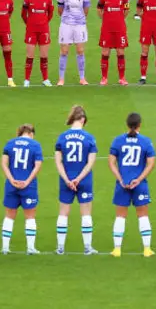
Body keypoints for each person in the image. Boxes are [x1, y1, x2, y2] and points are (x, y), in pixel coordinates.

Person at [108, 113, 156, 257]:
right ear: (139, 125)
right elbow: (151, 164)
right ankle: (147, 249)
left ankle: (117, 249)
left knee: (120, 216)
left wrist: (121, 179)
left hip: (122, 185)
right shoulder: (146, 142)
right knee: (143, 216)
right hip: (139, 185)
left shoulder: (118, 141)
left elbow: (111, 162)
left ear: (127, 124)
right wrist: (139, 179)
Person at [54, 105, 98, 255]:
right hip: (84, 180)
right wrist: (79, 178)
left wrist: (67, 179)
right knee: (86, 213)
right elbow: (90, 162)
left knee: (63, 213)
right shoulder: (89, 138)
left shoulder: (62, 137)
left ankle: (60, 248)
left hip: (66, 179)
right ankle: (87, 247)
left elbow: (58, 161)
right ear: (83, 119)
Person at [1, 124, 44, 254]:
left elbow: (3, 163)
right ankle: (30, 248)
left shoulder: (9, 144)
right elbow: (37, 166)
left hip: (11, 185)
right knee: (30, 216)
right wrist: (27, 181)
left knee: (9, 216)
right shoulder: (35, 145)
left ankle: (5, 247)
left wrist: (11, 179)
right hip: (28, 186)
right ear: (31, 134)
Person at [57, 0, 91, 86]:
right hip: (66, 25)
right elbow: (60, 10)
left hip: (80, 25)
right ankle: (61, 79)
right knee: (64, 51)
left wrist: (78, 19)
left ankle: (82, 78)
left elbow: (86, 10)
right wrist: (68, 19)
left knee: (80, 50)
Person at [97, 0, 130, 86]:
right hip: (107, 29)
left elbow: (126, 11)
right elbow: (99, 11)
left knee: (120, 52)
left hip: (120, 29)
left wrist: (118, 19)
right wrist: (107, 20)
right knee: (105, 52)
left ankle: (122, 78)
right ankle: (104, 78)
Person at [21, 0, 54, 87]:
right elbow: (23, 15)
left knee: (44, 56)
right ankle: (27, 80)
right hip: (31, 31)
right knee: (30, 55)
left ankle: (45, 79)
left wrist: (43, 23)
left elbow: (50, 14)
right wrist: (30, 24)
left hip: (44, 30)